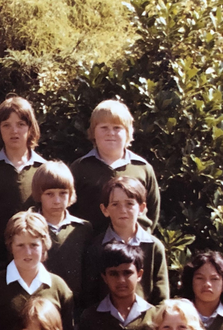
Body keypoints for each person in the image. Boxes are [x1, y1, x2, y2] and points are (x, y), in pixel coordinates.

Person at [0, 96, 48, 259]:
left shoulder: (44, 170)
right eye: (7, 125)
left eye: (21, 124)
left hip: (36, 255)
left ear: (31, 128)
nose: (14, 131)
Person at [69, 99, 161, 231]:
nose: (110, 133)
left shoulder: (142, 168)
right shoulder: (80, 168)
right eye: (104, 127)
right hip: (92, 247)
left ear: (128, 133)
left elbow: (152, 211)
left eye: (117, 128)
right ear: (93, 132)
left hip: (133, 247)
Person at [82, 176, 168, 306]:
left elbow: (162, 297)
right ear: (105, 210)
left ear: (141, 208)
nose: (122, 210)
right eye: (115, 204)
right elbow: (90, 296)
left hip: (146, 321)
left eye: (129, 204)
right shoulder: (97, 247)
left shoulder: (154, 247)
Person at [30, 161, 93, 303]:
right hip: (39, 303)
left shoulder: (82, 228)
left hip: (75, 304)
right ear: (39, 194)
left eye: (63, 193)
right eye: (49, 194)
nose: (57, 200)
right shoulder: (30, 227)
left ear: (71, 194)